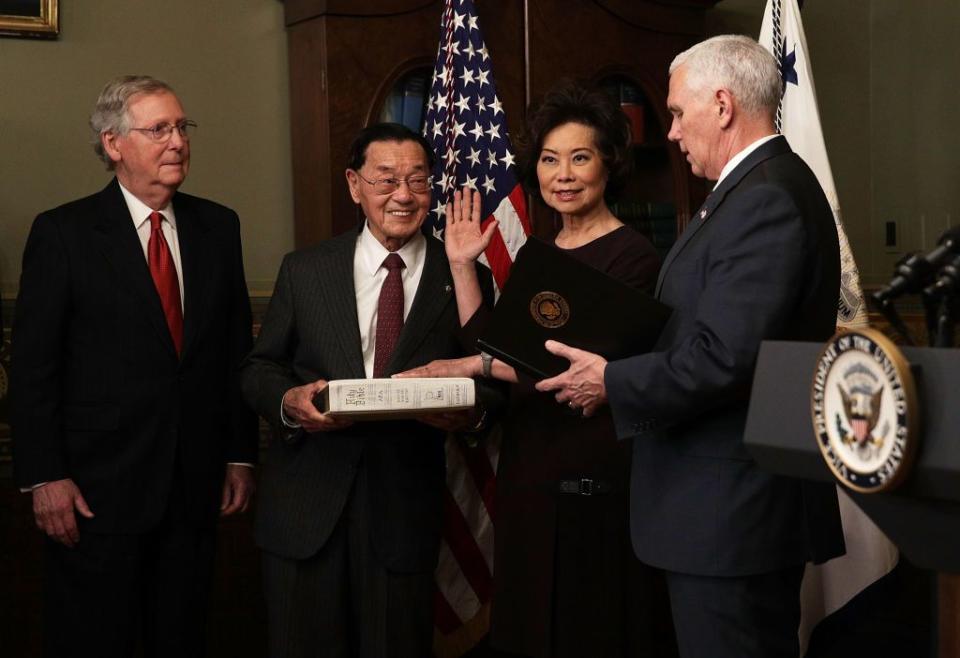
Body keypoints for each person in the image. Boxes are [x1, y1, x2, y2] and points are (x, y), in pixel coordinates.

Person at [535, 35, 846, 658]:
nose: (671, 132)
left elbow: (723, 355)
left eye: (678, 113)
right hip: (721, 512)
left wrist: (611, 381)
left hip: (733, 515)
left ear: (723, 105)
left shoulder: (764, 198)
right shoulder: (751, 190)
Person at [400, 81, 676, 657]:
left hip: (592, 476)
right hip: (527, 472)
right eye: (551, 160)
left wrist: (464, 362)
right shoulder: (537, 253)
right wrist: (462, 267)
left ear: (609, 165)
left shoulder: (634, 257)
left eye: (580, 157)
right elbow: (498, 345)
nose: (564, 175)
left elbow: (554, 371)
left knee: (589, 631)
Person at [11, 75, 258, 658]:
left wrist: (240, 453)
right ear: (114, 144)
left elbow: (232, 355)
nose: (177, 142)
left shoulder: (218, 227)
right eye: (158, 130)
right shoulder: (63, 233)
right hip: (95, 494)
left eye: (181, 127)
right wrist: (45, 475)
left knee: (182, 636)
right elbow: (33, 367)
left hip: (194, 488)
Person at [239, 123, 501, 658]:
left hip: (402, 513)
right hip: (305, 512)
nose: (403, 195)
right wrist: (289, 404)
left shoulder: (464, 275)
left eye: (417, 181)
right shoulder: (306, 270)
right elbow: (260, 369)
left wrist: (465, 416)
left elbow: (494, 387)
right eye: (386, 180)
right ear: (354, 185)